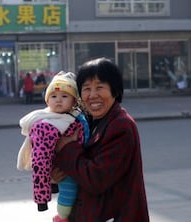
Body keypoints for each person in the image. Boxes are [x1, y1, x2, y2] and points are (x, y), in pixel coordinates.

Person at [52, 58, 150, 222]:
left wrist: (67, 148)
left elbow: (95, 179)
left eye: (99, 87)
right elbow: (75, 169)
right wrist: (57, 176)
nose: (92, 95)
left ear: (115, 90)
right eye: (86, 88)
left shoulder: (121, 126)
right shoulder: (87, 121)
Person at [17, 71, 90, 222]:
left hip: (78, 169)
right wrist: (41, 197)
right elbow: (40, 161)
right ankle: (61, 217)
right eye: (54, 97)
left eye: (64, 96)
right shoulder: (46, 125)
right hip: (64, 171)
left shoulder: (76, 116)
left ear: (74, 101)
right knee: (67, 193)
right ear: (47, 100)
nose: (58, 101)